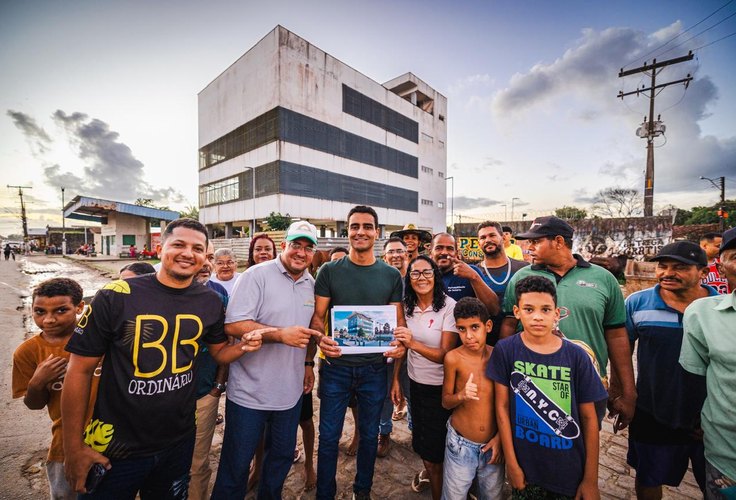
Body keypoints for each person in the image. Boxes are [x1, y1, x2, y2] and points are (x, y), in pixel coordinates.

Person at [61, 218, 271, 497]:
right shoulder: (116, 295)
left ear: (204, 256)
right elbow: (79, 371)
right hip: (116, 444)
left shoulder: (209, 301)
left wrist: (245, 345)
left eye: (197, 248)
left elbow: (219, 352)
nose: (188, 253)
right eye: (179, 244)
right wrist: (73, 447)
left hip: (178, 440)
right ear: (161, 247)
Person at [212, 221, 322, 499]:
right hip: (250, 393)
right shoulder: (257, 275)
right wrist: (278, 334)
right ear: (283, 245)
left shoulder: (311, 284)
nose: (301, 252)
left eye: (308, 248)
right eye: (296, 244)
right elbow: (233, 325)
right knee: (235, 467)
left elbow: (308, 332)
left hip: (290, 393)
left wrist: (308, 364)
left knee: (280, 462)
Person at [500, 216, 637, 428]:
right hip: (531, 383)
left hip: (587, 385)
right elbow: (509, 324)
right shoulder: (521, 277)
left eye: (536, 242)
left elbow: (617, 335)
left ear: (558, 242)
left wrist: (627, 391)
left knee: (582, 448)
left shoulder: (603, 279)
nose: (529, 248)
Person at [312, 205, 406, 500]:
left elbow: (397, 321)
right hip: (335, 368)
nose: (360, 232)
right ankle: (324, 494)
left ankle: (361, 491)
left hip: (374, 370)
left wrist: (400, 341)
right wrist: (321, 339)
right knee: (327, 437)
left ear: (377, 232)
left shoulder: (391, 275)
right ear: (348, 231)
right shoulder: (329, 270)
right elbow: (317, 317)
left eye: (367, 226)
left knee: (368, 435)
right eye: (355, 226)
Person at [489, 275, 606, 498]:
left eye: (545, 310)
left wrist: (590, 479)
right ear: (516, 312)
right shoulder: (506, 350)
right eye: (529, 309)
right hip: (526, 467)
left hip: (569, 470)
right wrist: (512, 464)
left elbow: (590, 419)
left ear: (556, 313)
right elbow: (502, 408)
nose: (537, 317)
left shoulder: (576, 356)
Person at [625, 241, 715, 498]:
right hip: (652, 410)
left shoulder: (720, 308)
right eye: (662, 266)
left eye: (680, 267)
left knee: (717, 483)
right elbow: (622, 351)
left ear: (703, 273)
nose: (667, 273)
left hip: (709, 415)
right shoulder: (637, 304)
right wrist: (625, 395)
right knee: (648, 476)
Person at [12, 278, 97, 500]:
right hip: (65, 443)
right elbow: (33, 404)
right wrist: (37, 382)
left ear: (79, 308)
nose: (48, 319)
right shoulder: (28, 352)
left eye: (61, 310)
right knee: (65, 494)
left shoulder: (98, 339)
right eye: (39, 311)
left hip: (112, 439)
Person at [391, 255, 458, 499]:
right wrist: (396, 379)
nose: (422, 278)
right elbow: (401, 346)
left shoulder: (448, 306)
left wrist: (413, 343)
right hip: (415, 386)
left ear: (435, 275)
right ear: (408, 279)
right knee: (423, 446)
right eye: (415, 273)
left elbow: (446, 355)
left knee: (435, 456)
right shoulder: (405, 306)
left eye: (427, 272)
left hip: (441, 389)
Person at [680, 227, 736, 500]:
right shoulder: (703, 315)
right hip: (726, 459)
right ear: (721, 267)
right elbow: (695, 379)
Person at [441, 297, 503, 500]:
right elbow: (445, 401)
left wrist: (500, 438)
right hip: (460, 444)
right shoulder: (454, 358)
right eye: (461, 329)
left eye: (474, 327)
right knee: (454, 495)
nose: (468, 336)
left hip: (493, 446)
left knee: (491, 495)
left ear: (488, 326)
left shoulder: (499, 357)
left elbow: (505, 404)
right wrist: (461, 395)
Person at [189, 241, 229, 500]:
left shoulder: (219, 295)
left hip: (204, 394)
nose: (205, 263)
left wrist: (217, 387)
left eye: (210, 256)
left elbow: (225, 344)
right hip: (158, 400)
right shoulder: (156, 293)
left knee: (198, 463)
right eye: (199, 255)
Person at [376, 237, 411, 457]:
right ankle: (385, 432)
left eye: (400, 251)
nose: (396, 255)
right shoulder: (378, 279)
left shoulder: (416, 278)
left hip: (416, 346)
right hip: (387, 345)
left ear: (407, 254)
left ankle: (418, 431)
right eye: (391, 252)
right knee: (386, 390)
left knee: (413, 391)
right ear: (385, 256)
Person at [476, 221, 529, 346]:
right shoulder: (474, 272)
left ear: (503, 238)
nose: (487, 240)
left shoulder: (524, 269)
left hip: (520, 341)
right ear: (479, 243)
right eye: (483, 237)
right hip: (484, 343)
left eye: (492, 235)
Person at [429, 233, 499, 316]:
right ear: (430, 252)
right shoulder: (424, 276)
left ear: (456, 253)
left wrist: (474, 277)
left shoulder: (472, 271)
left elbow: (494, 310)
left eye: (450, 249)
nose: (444, 252)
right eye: (438, 248)